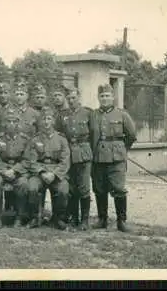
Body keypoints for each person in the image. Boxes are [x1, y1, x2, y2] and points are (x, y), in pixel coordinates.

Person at [90, 84, 137, 232]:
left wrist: (122, 149)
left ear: (113, 97)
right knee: (99, 188)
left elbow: (131, 135)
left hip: (116, 158)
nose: (105, 99)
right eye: (102, 96)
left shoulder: (122, 114)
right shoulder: (94, 115)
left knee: (118, 188)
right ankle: (102, 219)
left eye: (107, 96)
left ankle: (121, 221)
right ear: (98, 98)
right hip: (98, 157)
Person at [26, 107, 71, 230]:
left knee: (63, 190)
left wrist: (54, 174)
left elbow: (65, 161)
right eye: (44, 119)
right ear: (40, 121)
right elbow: (32, 161)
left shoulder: (61, 139)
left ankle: (58, 218)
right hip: (40, 172)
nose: (46, 122)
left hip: (56, 172)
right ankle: (35, 217)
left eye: (49, 119)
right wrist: (41, 172)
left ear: (53, 121)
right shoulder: (35, 139)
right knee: (32, 187)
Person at [56, 87, 94, 231]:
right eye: (69, 98)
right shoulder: (62, 115)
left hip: (84, 153)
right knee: (71, 188)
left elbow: (94, 134)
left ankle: (84, 220)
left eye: (74, 98)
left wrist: (92, 154)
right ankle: (73, 218)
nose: (71, 101)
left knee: (84, 187)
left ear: (79, 97)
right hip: (68, 154)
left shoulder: (88, 113)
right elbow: (59, 135)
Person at [0, 109, 31, 228]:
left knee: (23, 184)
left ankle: (19, 216)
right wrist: (4, 171)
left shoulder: (25, 139)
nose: (11, 124)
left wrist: (14, 170)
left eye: (14, 121)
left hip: (18, 171)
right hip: (1, 171)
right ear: (4, 124)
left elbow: (27, 160)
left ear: (19, 123)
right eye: (9, 121)